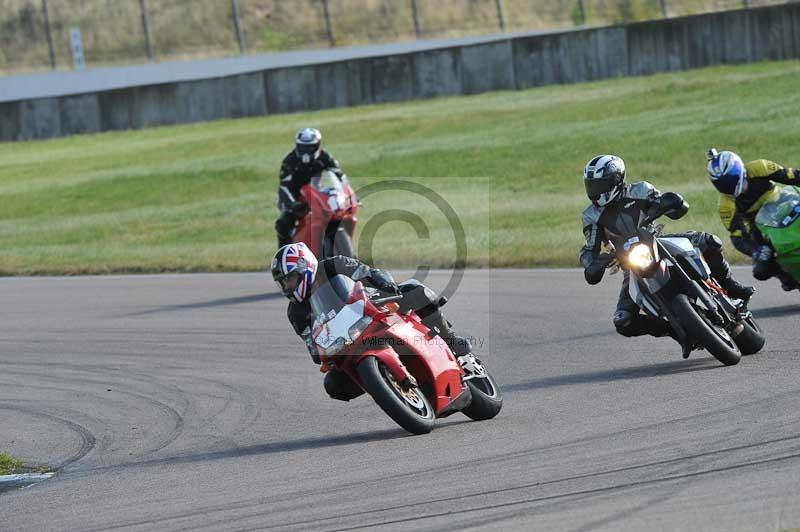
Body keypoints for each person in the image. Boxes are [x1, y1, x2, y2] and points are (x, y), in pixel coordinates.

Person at [580, 154, 754, 354]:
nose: (595, 191)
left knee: (709, 241)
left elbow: (672, 205)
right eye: (591, 185)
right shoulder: (591, 216)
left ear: (616, 179)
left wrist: (670, 203)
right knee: (623, 320)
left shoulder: (640, 190)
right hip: (631, 264)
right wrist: (593, 263)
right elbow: (590, 248)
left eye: (600, 184)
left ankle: (731, 287)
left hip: (657, 241)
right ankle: (675, 331)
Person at [271, 242, 473, 401]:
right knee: (333, 385)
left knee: (415, 289)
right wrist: (322, 356)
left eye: (290, 279)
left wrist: (387, 285)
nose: (287, 286)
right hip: (348, 342)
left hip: (374, 308)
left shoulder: (335, 265)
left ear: (305, 266)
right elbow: (312, 346)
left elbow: (369, 273)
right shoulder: (296, 313)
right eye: (283, 283)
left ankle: (450, 340)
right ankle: (383, 382)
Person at [707, 148, 800, 290]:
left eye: (730, 178)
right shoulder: (726, 205)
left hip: (787, 202)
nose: (728, 185)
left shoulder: (760, 167)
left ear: (738, 168)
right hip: (760, 226)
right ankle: (787, 277)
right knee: (761, 270)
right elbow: (737, 237)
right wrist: (756, 250)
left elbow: (792, 176)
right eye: (721, 183)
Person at [275, 128, 343, 248]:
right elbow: (284, 186)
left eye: (310, 147)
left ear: (318, 145)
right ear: (297, 145)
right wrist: (293, 204)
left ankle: (346, 251)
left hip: (317, 194)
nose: (306, 151)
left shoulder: (325, 157)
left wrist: (348, 195)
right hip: (294, 198)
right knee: (283, 224)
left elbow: (340, 176)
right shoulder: (289, 160)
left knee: (339, 215)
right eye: (303, 147)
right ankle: (283, 257)